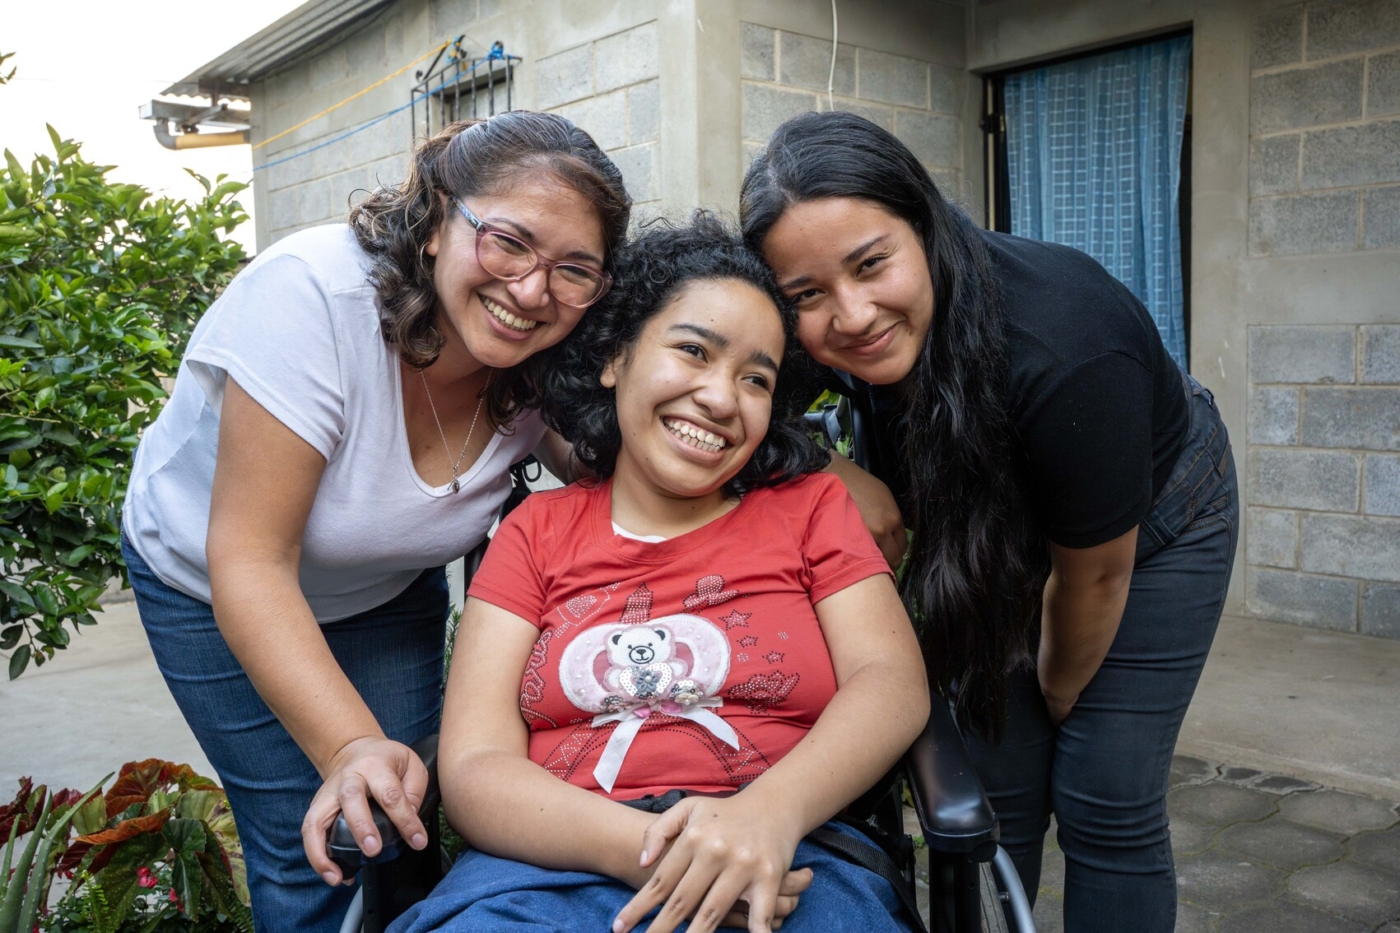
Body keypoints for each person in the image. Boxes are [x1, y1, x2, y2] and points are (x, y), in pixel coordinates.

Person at [119, 112, 633, 932]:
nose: (533, 290)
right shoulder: (312, 298)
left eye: (575, 268)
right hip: (211, 579)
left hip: (384, 586)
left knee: (399, 823)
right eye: (508, 241)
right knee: (314, 836)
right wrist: (347, 746)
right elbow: (250, 560)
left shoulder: (548, 356)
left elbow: (635, 466)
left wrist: (806, 475)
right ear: (436, 221)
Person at [740, 111, 1238, 933]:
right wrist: (835, 468)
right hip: (988, 530)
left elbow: (1095, 579)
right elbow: (738, 405)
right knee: (992, 794)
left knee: (1102, 791)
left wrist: (1055, 688)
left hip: (1147, 533)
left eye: (872, 264)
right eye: (808, 295)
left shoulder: (1067, 344)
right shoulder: (797, 323)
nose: (853, 314)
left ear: (925, 223)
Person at [387, 215, 929, 933]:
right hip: (553, 870)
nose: (720, 397)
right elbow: (478, 766)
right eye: (693, 351)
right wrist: (660, 855)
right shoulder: (536, 533)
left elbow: (889, 682)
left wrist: (766, 815)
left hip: (787, 855)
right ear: (616, 357)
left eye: (755, 378)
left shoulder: (810, 509)